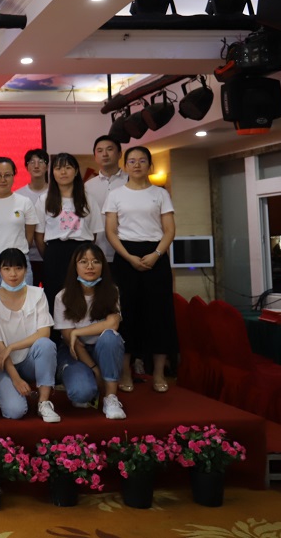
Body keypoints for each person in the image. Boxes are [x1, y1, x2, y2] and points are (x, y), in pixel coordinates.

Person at [103, 146, 177, 394]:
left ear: (150, 165)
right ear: (125, 166)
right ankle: (126, 372)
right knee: (126, 315)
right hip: (125, 256)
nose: (136, 165)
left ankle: (158, 373)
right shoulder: (115, 194)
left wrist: (156, 254)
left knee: (159, 314)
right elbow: (111, 232)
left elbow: (169, 230)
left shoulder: (160, 194)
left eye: (142, 161)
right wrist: (128, 257)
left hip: (156, 256)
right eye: (132, 161)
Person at [0, 248, 60, 423]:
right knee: (16, 411)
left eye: (18, 268)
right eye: (7, 268)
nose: (13, 274)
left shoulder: (37, 294)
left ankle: (44, 402)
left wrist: (12, 347)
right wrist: (16, 379)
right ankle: (3, 386)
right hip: (1, 365)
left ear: (26, 269)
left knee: (46, 345)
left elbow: (44, 333)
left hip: (28, 360)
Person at [53, 243, 127, 420]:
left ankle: (110, 398)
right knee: (81, 393)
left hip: (103, 349)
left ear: (103, 266)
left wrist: (77, 332)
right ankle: (88, 382)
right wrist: (95, 369)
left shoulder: (112, 291)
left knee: (110, 337)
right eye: (83, 261)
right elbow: (71, 341)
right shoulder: (62, 297)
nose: (90, 266)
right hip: (75, 352)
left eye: (95, 261)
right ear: (75, 266)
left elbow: (113, 324)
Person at [35, 152, 103, 315]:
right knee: (54, 296)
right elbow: (39, 235)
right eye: (58, 168)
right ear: (52, 173)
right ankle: (56, 331)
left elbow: (93, 233)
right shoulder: (44, 199)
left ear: (76, 171)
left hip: (82, 252)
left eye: (67, 167)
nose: (63, 172)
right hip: (55, 254)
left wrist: (85, 253)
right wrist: (50, 254)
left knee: (82, 296)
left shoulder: (88, 199)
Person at [0, 157, 39, 295]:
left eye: (7, 175)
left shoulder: (24, 202)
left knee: (24, 304)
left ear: (13, 176)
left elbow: (29, 237)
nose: (2, 179)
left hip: (19, 262)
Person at [85, 135, 128, 263]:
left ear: (119, 154)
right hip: (96, 252)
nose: (104, 154)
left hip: (127, 250)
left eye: (109, 149)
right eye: (100, 151)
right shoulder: (87, 186)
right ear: (95, 156)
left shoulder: (130, 182)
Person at [16, 148, 50, 287]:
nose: (36, 166)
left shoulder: (55, 194)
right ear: (26, 167)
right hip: (27, 256)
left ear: (47, 166)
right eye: (32, 162)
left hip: (51, 255)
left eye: (41, 162)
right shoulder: (19, 195)